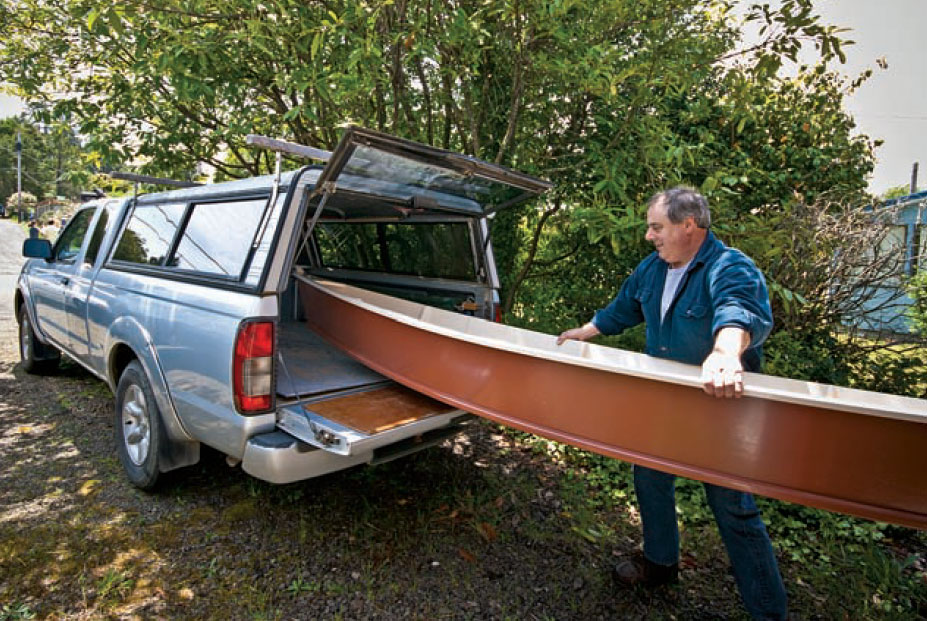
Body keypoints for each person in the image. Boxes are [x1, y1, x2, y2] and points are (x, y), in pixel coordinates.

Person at [557, 186, 787, 620]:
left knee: (734, 509)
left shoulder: (729, 266)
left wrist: (724, 354)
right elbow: (622, 309)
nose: (649, 236)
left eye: (656, 227)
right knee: (649, 477)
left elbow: (738, 311)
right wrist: (584, 332)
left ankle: (769, 613)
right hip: (664, 404)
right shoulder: (653, 269)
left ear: (688, 226)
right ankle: (661, 564)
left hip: (720, 408)